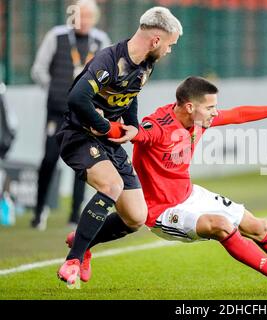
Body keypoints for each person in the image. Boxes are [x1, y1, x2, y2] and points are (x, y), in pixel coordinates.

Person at [68, 76, 267, 295]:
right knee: (221, 225)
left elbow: (239, 114)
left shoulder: (199, 119)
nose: (215, 113)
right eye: (210, 107)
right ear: (189, 107)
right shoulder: (158, 126)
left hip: (190, 194)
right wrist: (102, 126)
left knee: (260, 226)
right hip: (162, 210)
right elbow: (136, 133)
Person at [55, 6, 183, 288]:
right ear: (156, 40)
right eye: (170, 45)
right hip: (79, 135)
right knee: (111, 186)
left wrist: (133, 126)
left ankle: (82, 241)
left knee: (137, 217)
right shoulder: (108, 61)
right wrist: (104, 127)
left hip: (109, 141)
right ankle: (72, 260)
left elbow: (130, 95)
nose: (170, 51)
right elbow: (77, 99)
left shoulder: (146, 63)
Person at [30, 0, 111, 230]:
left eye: (88, 17)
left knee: (84, 162)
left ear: (94, 19)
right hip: (57, 111)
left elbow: (108, 76)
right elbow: (38, 70)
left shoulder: (101, 41)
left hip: (85, 114)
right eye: (79, 16)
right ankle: (39, 211)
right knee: (48, 159)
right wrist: (56, 90)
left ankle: (75, 214)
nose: (83, 21)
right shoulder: (56, 36)